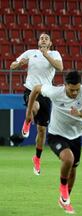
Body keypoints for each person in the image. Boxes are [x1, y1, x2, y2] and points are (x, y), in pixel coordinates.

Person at [25, 71, 82, 214]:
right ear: (65, 85)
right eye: (71, 90)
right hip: (56, 135)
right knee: (68, 159)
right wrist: (29, 112)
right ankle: (63, 189)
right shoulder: (55, 92)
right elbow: (35, 89)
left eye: (77, 89)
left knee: (73, 169)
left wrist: (80, 114)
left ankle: (64, 199)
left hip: (76, 136)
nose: (75, 92)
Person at [10, 33, 63, 175]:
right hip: (30, 90)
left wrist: (46, 55)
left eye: (46, 38)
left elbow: (60, 67)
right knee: (34, 107)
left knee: (42, 130)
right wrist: (18, 64)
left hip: (46, 93)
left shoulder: (54, 54)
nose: (44, 40)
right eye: (41, 38)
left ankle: (37, 158)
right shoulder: (30, 53)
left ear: (50, 43)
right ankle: (27, 122)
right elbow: (12, 65)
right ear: (38, 42)